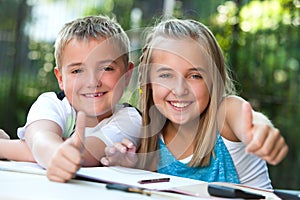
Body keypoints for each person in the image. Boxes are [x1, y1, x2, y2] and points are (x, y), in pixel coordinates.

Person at [100, 18, 288, 189]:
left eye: (195, 76)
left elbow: (247, 119)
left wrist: (259, 131)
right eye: (166, 75)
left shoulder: (225, 116)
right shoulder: (145, 139)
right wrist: (128, 169)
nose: (180, 89)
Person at [0, 15, 142, 183]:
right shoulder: (51, 103)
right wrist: (51, 152)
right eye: (77, 71)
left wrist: (4, 148)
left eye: (107, 68)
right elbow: (40, 139)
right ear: (60, 78)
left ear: (127, 75)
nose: (92, 82)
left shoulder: (132, 120)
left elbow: (86, 155)